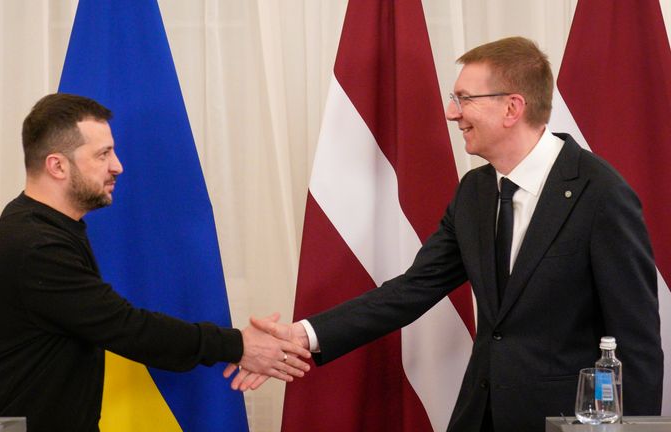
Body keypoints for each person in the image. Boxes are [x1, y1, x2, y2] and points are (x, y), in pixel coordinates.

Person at [239, 37, 664, 431]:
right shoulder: (476, 192)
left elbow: (637, 343)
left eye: (464, 99)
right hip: (480, 417)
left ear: (512, 108)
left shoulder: (601, 193)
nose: (451, 112)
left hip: (563, 421)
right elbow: (411, 290)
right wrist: (303, 335)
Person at [0, 93, 310, 431]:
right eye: (103, 154)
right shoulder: (35, 245)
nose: (118, 166)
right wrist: (239, 345)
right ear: (57, 166)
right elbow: (127, 328)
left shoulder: (47, 227)